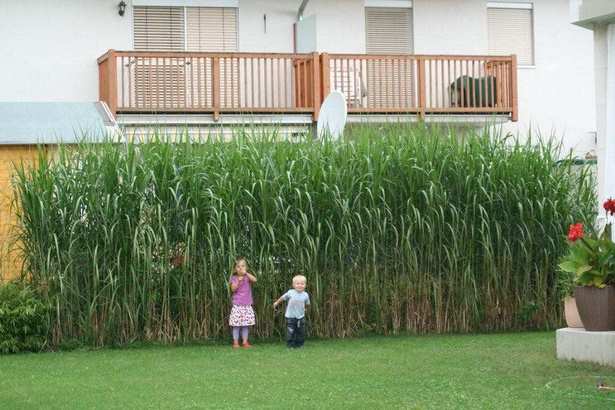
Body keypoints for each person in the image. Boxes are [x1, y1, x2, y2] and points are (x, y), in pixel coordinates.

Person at [273, 275, 310, 348]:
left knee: (300, 331)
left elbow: (308, 304)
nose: (300, 285)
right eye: (297, 283)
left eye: (302, 284)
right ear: (293, 285)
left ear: (305, 285)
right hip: (290, 317)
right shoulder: (290, 292)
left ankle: (300, 344)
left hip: (301, 317)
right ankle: (290, 345)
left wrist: (305, 309)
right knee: (291, 331)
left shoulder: (305, 295)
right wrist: (276, 302)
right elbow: (283, 298)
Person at [228, 257, 257, 349]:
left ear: (246, 267)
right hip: (237, 305)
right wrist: (239, 281)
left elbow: (255, 280)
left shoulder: (247, 277)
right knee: (236, 325)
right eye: (238, 266)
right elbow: (233, 289)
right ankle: (235, 342)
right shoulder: (234, 278)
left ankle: (245, 342)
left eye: (243, 266)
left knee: (245, 325)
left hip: (247, 305)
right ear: (235, 269)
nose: (240, 268)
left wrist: (246, 273)